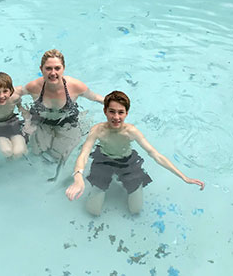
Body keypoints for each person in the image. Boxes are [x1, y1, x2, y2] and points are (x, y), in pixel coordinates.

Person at [65, 90, 204, 215]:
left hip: (127, 163)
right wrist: (78, 177)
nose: (116, 117)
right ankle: (106, 182)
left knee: (135, 209)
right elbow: (83, 154)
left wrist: (184, 177)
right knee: (93, 210)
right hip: (103, 161)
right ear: (105, 111)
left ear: (126, 113)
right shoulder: (97, 130)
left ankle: (129, 184)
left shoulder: (131, 132)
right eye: (112, 111)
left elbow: (155, 154)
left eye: (121, 112)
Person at [18, 49, 103, 179]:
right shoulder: (34, 86)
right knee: (36, 152)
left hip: (67, 123)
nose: (53, 73)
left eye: (57, 68)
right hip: (42, 122)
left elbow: (95, 97)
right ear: (41, 69)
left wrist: (115, 103)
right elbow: (16, 93)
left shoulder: (75, 86)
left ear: (63, 68)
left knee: (57, 156)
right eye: (48, 68)